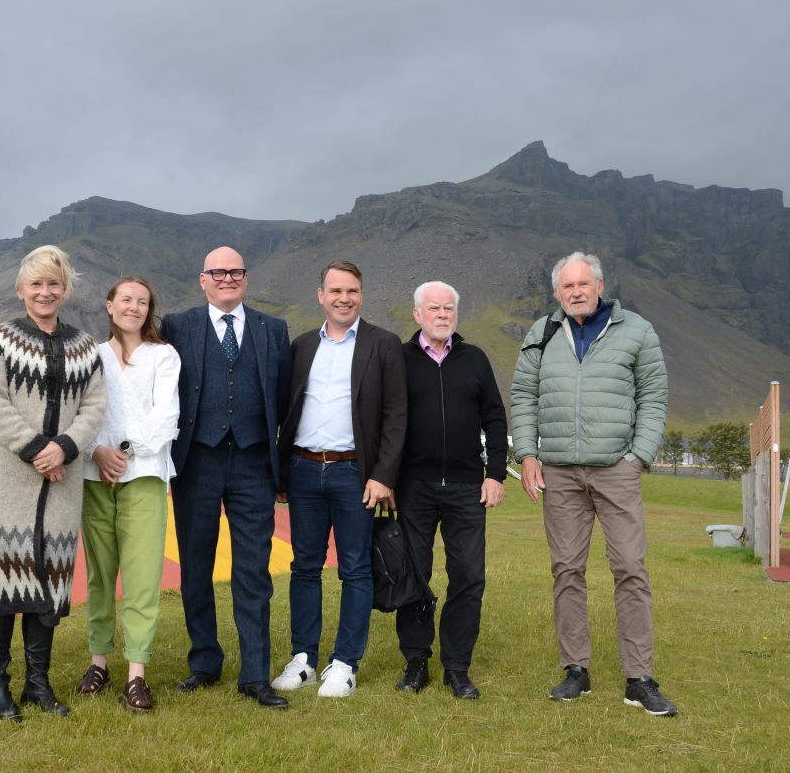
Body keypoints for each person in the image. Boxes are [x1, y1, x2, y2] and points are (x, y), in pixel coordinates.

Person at [510, 251, 676, 717]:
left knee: (630, 568)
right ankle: (575, 671)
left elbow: (654, 395)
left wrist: (637, 456)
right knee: (567, 570)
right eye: (567, 286)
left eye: (584, 284)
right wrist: (527, 454)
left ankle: (639, 678)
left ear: (600, 285)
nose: (576, 292)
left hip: (615, 469)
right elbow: (523, 395)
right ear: (557, 292)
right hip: (559, 471)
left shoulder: (637, 331)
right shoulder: (541, 333)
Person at [0, 244, 107, 722]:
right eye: (36, 284)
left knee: (50, 581)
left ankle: (38, 684)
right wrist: (35, 449)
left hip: (64, 480)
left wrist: (65, 447)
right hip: (7, 477)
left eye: (53, 283)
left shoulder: (85, 346)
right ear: (20, 290)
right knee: (6, 579)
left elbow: (94, 406)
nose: (45, 292)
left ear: (64, 289)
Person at [161, 246, 291, 709]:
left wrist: (283, 468)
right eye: (219, 272)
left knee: (253, 570)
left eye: (236, 271)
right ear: (203, 279)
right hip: (196, 462)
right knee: (195, 566)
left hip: (255, 464)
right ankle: (204, 663)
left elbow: (285, 401)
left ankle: (255, 675)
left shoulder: (273, 330)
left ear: (246, 277)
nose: (228, 278)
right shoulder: (177, 326)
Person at [271, 261, 406, 698]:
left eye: (352, 291)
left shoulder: (383, 345)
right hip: (305, 469)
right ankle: (304, 659)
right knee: (304, 567)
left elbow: (396, 416)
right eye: (335, 291)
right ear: (320, 295)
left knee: (355, 569)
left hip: (355, 474)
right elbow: (285, 409)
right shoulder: (302, 345)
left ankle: (345, 663)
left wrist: (384, 475)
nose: (344, 298)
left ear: (361, 295)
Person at [393, 281, 507, 699]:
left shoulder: (474, 359)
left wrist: (495, 474)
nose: (442, 314)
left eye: (449, 309)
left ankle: (456, 667)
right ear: (417, 314)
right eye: (434, 308)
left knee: (469, 577)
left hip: (466, 488)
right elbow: (386, 420)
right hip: (413, 488)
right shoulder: (399, 359)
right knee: (415, 576)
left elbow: (495, 418)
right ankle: (416, 661)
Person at [77, 277, 181, 713]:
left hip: (144, 476)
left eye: (142, 302)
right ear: (109, 305)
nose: (134, 307)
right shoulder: (90, 356)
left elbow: (167, 414)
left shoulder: (163, 356)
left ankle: (135, 675)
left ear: (149, 309)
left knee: (141, 578)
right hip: (92, 477)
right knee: (100, 575)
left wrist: (121, 452)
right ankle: (98, 662)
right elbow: (79, 411)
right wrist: (96, 451)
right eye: (126, 299)